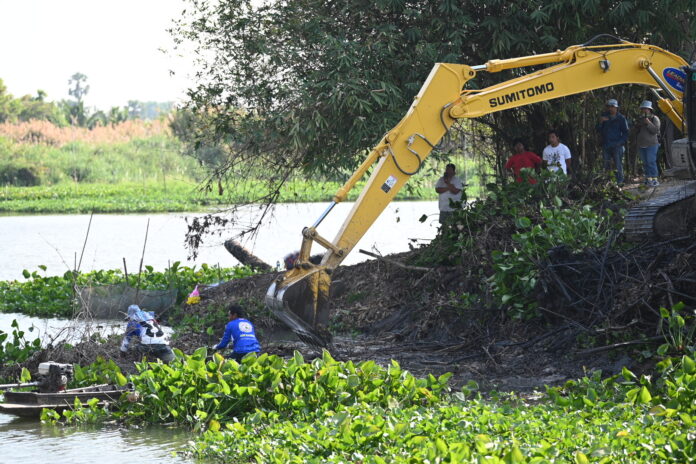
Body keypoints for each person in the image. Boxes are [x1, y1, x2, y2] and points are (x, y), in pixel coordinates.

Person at [596, 98, 629, 185]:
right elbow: (598, 130)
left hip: (617, 145)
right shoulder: (604, 116)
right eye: (609, 107)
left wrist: (619, 143)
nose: (611, 108)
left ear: (616, 108)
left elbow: (626, 133)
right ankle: (607, 182)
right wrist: (600, 122)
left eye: (612, 107)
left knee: (618, 165)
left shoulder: (621, 118)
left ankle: (620, 182)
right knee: (606, 164)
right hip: (606, 144)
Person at [635, 100, 661, 187]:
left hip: (652, 144)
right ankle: (648, 179)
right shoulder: (640, 119)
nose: (644, 110)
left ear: (650, 109)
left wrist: (648, 123)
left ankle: (654, 179)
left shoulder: (655, 118)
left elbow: (655, 131)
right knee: (645, 162)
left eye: (645, 109)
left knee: (651, 161)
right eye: (642, 109)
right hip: (641, 144)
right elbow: (636, 131)